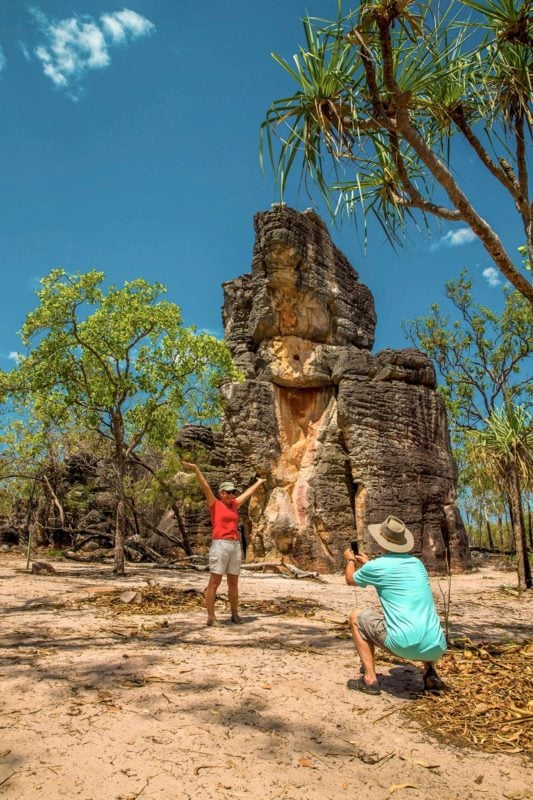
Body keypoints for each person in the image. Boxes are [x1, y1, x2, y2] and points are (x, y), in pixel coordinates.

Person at [344, 515, 446, 696]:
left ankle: (369, 680)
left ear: (381, 541)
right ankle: (430, 672)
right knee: (419, 614)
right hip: (436, 645)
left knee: (356, 617)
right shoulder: (417, 564)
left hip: (404, 644)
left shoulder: (377, 566)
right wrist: (369, 564)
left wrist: (350, 560)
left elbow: (350, 580)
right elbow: (394, 575)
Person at [180, 461, 266, 626]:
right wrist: (197, 468)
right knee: (214, 581)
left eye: (233, 492)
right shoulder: (215, 504)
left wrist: (259, 482)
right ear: (220, 493)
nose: (231, 495)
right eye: (227, 492)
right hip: (220, 545)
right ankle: (211, 618)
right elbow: (205, 486)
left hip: (235, 546)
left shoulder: (234, 505)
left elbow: (247, 494)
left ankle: (235, 614)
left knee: (233, 583)